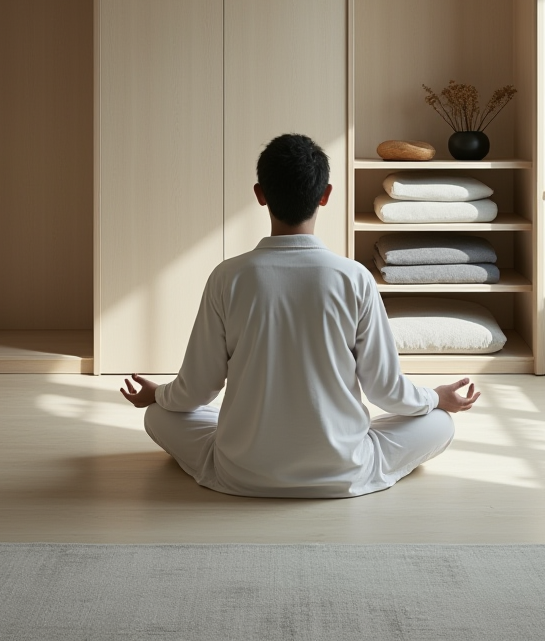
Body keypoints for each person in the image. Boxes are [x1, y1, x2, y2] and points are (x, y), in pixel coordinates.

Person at [120, 133, 480, 498]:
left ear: (260, 195)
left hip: (241, 471)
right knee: (439, 423)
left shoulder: (228, 276)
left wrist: (159, 394)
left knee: (158, 414)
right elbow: (386, 391)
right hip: (344, 469)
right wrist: (436, 398)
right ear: (325, 194)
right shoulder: (354, 277)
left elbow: (197, 389)